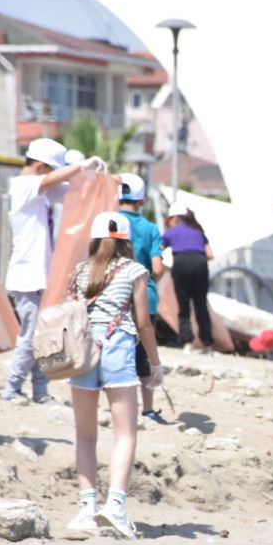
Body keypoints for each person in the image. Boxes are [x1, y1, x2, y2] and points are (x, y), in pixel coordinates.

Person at [66, 211, 163, 539]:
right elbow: (143, 322)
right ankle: (116, 507)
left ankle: (87, 508)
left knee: (85, 435)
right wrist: (154, 362)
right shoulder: (135, 270)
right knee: (125, 434)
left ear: (93, 239)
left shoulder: (80, 272)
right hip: (117, 348)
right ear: (127, 241)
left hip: (82, 353)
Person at [2, 138, 103, 404]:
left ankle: (40, 390)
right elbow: (51, 182)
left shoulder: (41, 192)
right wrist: (81, 166)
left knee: (45, 334)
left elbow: (70, 190)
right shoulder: (23, 185)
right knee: (31, 335)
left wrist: (95, 178)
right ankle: (11, 387)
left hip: (40, 275)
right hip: (25, 275)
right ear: (39, 166)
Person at [118, 173, 167, 423]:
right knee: (143, 353)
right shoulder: (149, 229)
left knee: (117, 350)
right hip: (144, 296)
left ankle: (118, 408)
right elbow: (157, 269)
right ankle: (147, 410)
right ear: (142, 199)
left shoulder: (110, 221)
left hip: (113, 295)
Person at [162, 203, 214, 353]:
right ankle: (208, 344)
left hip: (181, 263)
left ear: (175, 218)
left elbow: (157, 250)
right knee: (201, 305)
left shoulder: (170, 233)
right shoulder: (198, 231)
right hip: (200, 263)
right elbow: (210, 255)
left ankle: (187, 343)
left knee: (183, 306)